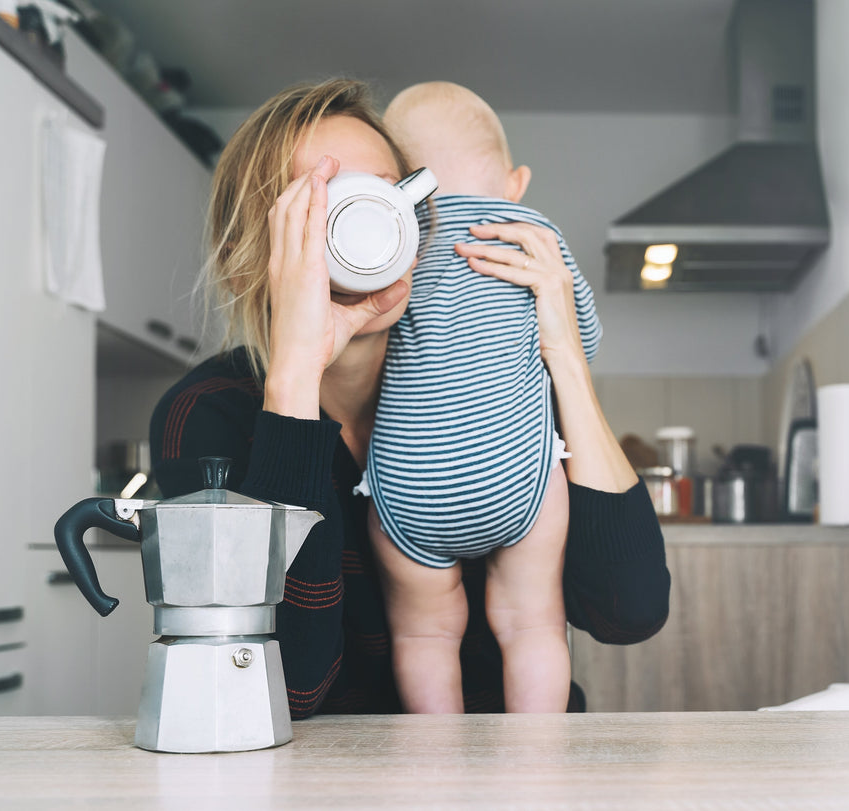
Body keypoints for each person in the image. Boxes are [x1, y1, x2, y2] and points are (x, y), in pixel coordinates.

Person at [148, 78, 670, 717]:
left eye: (387, 196)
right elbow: (285, 688)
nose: (370, 225)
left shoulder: (491, 377)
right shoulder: (205, 415)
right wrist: (294, 378)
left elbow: (630, 612)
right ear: (244, 262)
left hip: (521, 763)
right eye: (323, 207)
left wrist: (563, 356)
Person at [357, 81, 598, 713]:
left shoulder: (399, 238)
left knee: (425, 632)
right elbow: (582, 340)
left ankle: (437, 764)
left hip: (411, 483)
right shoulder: (533, 233)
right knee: (533, 626)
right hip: (513, 474)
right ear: (515, 181)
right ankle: (536, 761)